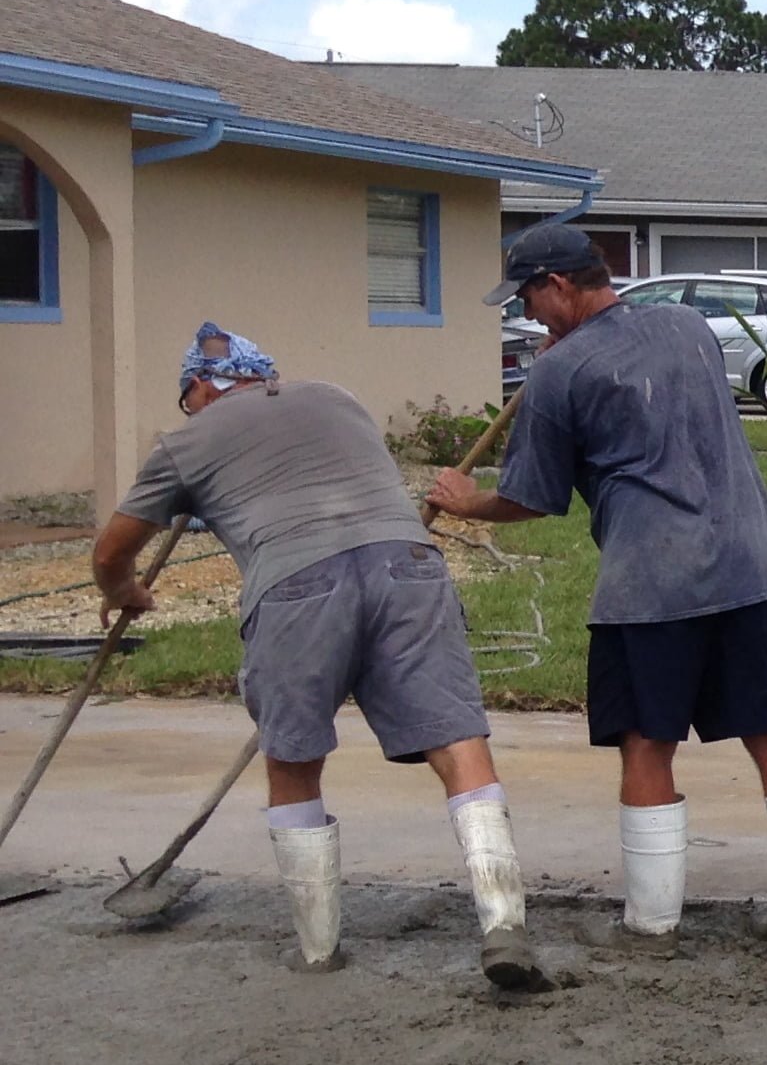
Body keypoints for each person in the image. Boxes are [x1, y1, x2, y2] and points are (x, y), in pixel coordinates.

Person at [91, 324, 537, 986]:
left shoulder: (184, 444)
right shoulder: (336, 398)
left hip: (296, 587)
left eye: (187, 399)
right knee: (456, 737)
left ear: (198, 389)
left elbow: (109, 553)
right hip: (408, 564)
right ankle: (504, 923)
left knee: (295, 758)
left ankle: (318, 950)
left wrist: (125, 590)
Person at [427, 223, 767, 963]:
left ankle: (651, 927)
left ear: (558, 285)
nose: (529, 314)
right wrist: (568, 350)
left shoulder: (555, 376)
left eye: (530, 298)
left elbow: (533, 498)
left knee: (646, 742)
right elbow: (633, 372)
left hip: (650, 586)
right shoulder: (687, 325)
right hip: (750, 565)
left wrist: (464, 500)